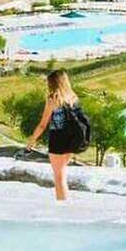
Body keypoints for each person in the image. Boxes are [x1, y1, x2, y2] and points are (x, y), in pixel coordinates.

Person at [25, 70, 82, 201]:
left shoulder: (53, 99)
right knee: (62, 174)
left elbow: (42, 125)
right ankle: (64, 204)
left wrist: (31, 140)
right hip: (72, 140)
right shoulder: (73, 97)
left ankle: (63, 209)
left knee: (59, 177)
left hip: (58, 141)